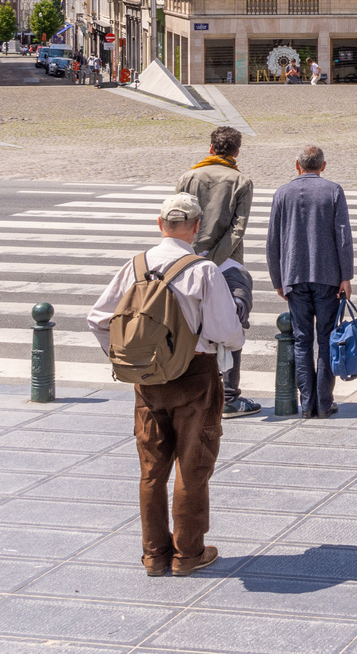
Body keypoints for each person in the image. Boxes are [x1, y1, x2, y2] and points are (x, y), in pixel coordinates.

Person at [87, 193, 244, 576]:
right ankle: (188, 553)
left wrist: (126, 357)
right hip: (195, 376)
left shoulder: (135, 266)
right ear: (195, 227)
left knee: (152, 468)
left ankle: (154, 554)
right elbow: (228, 334)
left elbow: (97, 318)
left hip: (147, 379)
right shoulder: (203, 270)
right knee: (194, 466)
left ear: (160, 224)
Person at [176, 125, 260, 418]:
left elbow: (179, 218)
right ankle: (230, 395)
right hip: (227, 263)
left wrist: (193, 255)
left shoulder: (189, 177)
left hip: (188, 258)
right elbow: (238, 228)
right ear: (237, 152)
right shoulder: (241, 181)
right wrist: (213, 259)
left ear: (211, 148)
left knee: (187, 321)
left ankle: (189, 389)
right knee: (235, 319)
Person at [265, 145, 354, 418]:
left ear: (297, 165)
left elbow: (272, 240)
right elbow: (343, 237)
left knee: (303, 340)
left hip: (294, 274)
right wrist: (346, 276)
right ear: (323, 166)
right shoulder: (333, 191)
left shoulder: (282, 193)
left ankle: (307, 404)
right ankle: (324, 403)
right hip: (327, 275)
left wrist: (277, 279)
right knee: (327, 339)